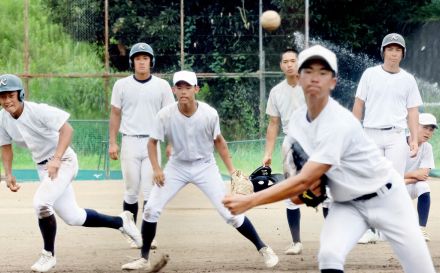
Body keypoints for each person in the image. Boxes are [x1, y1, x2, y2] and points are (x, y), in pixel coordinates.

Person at [223, 45, 435, 273]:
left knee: (421, 269)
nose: (315, 78)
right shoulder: (296, 125)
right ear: (299, 78)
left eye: (323, 73)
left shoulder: (339, 122)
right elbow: (299, 194)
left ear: (333, 82)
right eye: (308, 71)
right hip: (348, 205)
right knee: (329, 255)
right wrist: (304, 194)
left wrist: (251, 200)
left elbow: (305, 180)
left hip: (388, 199)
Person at [121, 70, 279, 270]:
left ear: (196, 89)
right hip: (177, 166)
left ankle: (263, 248)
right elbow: (152, 143)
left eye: (188, 87)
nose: (184, 91)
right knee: (151, 209)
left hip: (205, 166)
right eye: (179, 87)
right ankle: (144, 258)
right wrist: (156, 168)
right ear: (174, 90)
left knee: (230, 214)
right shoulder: (165, 115)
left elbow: (219, 142)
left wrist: (232, 172)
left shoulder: (209, 114)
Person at [0, 74, 142, 273]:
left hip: (64, 160)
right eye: (2, 96)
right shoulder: (3, 118)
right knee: (73, 217)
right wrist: (8, 174)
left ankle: (48, 255)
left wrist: (56, 159)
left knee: (41, 204)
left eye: (11, 95)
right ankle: (121, 221)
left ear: (20, 94)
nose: (7, 100)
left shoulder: (38, 111)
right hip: (44, 168)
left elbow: (67, 130)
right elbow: (6, 147)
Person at [352, 33, 423, 244]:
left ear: (403, 54)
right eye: (390, 49)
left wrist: (414, 139)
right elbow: (358, 104)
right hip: (370, 133)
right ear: (383, 52)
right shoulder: (369, 74)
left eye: (398, 50)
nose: (393, 53)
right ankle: (369, 229)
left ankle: (392, 229)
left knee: (394, 183)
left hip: (396, 135)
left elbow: (413, 111)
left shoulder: (408, 79)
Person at [109, 42, 175, 248]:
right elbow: (115, 114)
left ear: (151, 61)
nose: (142, 62)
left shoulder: (162, 86)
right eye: (138, 58)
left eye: (145, 58)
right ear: (132, 62)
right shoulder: (121, 85)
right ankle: (132, 233)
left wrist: (171, 142)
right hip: (129, 140)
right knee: (130, 190)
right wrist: (113, 142)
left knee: (150, 190)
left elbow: (170, 117)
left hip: (152, 143)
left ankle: (148, 235)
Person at [262, 48, 306, 255]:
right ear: (281, 66)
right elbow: (273, 124)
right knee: (291, 192)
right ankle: (296, 242)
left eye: (293, 60)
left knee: (327, 193)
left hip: (314, 141)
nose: (289, 64)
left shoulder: (311, 85)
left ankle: (332, 239)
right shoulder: (276, 92)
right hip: (291, 142)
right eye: (285, 61)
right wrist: (268, 153)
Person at [404, 112, 437, 242]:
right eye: (425, 127)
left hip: (407, 184)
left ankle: (421, 229)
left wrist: (404, 179)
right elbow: (388, 173)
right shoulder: (398, 144)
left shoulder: (427, 148)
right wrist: (413, 174)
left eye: (431, 129)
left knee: (424, 186)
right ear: (414, 126)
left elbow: (423, 175)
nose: (428, 132)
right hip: (391, 187)